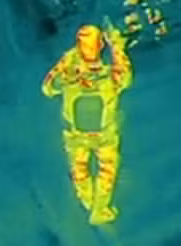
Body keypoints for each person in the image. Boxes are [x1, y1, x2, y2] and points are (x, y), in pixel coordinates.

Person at [42, 23, 132, 225]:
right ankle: (99, 208)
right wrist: (117, 47)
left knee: (80, 169)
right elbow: (125, 77)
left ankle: (88, 203)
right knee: (107, 170)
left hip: (76, 136)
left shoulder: (68, 75)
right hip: (104, 135)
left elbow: (48, 88)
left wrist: (66, 63)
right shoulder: (109, 77)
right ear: (101, 45)